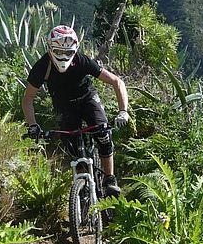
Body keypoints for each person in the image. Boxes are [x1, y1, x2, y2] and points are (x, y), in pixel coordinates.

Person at [22, 24, 129, 197]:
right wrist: (33, 125)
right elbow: (28, 98)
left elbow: (117, 82)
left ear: (75, 50)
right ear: (50, 49)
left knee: (102, 134)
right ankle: (81, 186)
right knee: (71, 145)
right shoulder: (43, 66)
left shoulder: (81, 60)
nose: (63, 56)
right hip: (65, 106)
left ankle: (109, 179)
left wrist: (123, 111)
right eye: (58, 52)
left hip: (87, 99)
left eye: (68, 52)